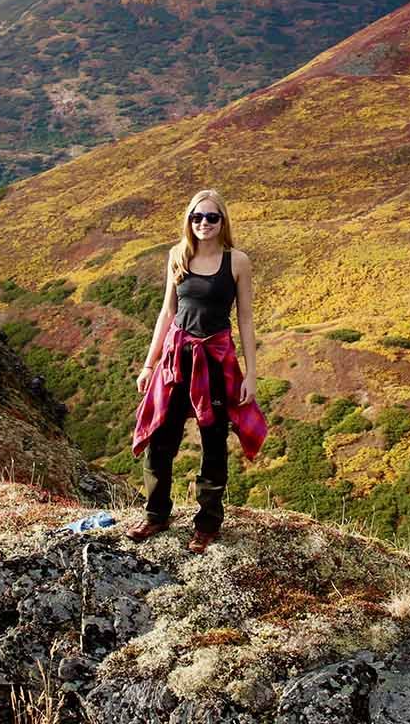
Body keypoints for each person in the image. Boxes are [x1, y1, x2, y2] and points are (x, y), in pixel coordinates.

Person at [128, 188, 267, 552]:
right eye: (196, 217)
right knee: (161, 438)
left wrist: (251, 374)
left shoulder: (237, 261)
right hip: (177, 359)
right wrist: (149, 363)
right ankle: (156, 515)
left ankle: (207, 524)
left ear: (223, 221)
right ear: (188, 220)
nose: (203, 223)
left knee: (213, 443)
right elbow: (167, 313)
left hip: (217, 360)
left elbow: (247, 320)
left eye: (211, 217)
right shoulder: (178, 256)